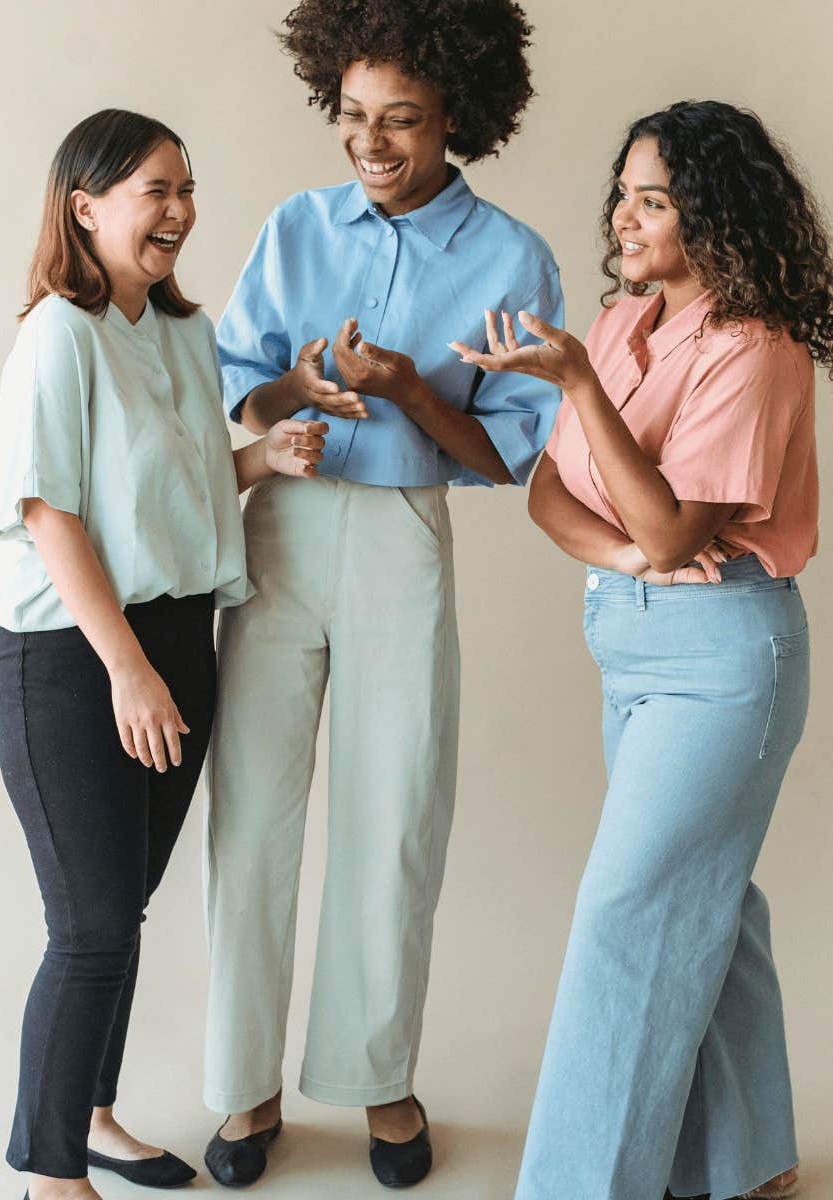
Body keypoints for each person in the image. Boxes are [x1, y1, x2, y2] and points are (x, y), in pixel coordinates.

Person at [201, 0, 563, 1188]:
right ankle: (244, 1081)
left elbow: (506, 455)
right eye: (354, 114)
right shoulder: (296, 226)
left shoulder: (512, 257)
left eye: (400, 119)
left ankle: (377, 1074)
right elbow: (241, 391)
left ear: (456, 114)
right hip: (282, 527)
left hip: (404, 535)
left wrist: (409, 390)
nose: (370, 140)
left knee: (395, 812)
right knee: (251, 810)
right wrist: (296, 390)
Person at [451, 100, 832, 1200]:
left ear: (711, 215)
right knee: (708, 897)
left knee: (631, 912)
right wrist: (625, 559)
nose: (623, 216)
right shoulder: (622, 323)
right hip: (631, 644)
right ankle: (747, 1161)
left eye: (652, 199)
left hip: (725, 662)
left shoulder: (755, 348)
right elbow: (549, 494)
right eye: (623, 193)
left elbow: (674, 532)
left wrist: (578, 389)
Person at [0, 108, 326, 1200]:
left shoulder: (184, 331)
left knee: (118, 912)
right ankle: (50, 1178)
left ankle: (89, 1117)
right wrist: (127, 668)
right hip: (71, 651)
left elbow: (169, 488)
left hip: (180, 639)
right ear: (85, 208)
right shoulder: (58, 334)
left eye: (186, 189)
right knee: (88, 927)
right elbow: (50, 512)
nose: (179, 211)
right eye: (155, 191)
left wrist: (263, 457)